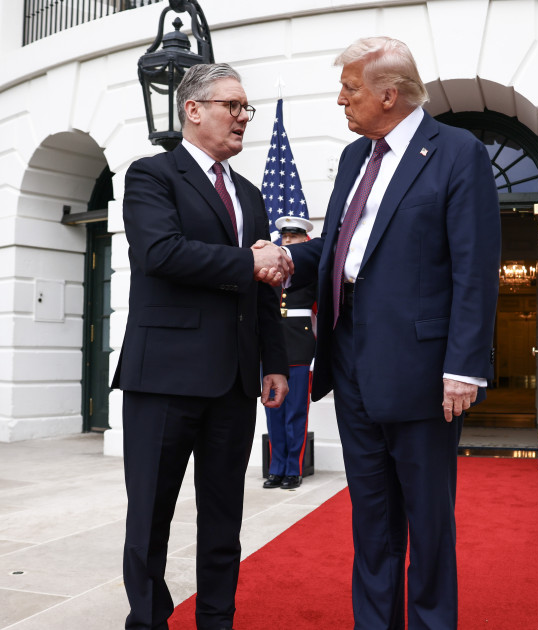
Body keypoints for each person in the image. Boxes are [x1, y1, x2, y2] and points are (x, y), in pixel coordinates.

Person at [257, 36, 500, 629]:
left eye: (351, 89)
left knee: (428, 521)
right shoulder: (352, 158)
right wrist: (291, 259)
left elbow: (475, 266)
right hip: (351, 363)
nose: (342, 100)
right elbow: (343, 248)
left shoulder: (456, 152)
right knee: (370, 518)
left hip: (422, 373)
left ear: (389, 95)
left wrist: (463, 367)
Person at [111, 63, 292, 630]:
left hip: (235, 383)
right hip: (162, 378)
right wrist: (250, 260)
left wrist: (276, 361)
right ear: (193, 109)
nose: (243, 117)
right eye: (232, 106)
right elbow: (160, 253)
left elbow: (261, 289)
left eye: (246, 109)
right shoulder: (150, 175)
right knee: (149, 519)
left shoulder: (251, 194)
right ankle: (147, 621)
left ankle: (217, 620)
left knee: (223, 519)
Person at [263, 215, 317, 491]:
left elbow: (321, 309)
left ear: (304, 240)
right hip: (273, 345)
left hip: (299, 345)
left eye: (293, 238)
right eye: (284, 238)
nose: (287, 242)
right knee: (273, 411)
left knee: (295, 411)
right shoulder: (270, 266)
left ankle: (293, 469)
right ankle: (276, 468)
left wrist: (318, 352)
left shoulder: (311, 267)